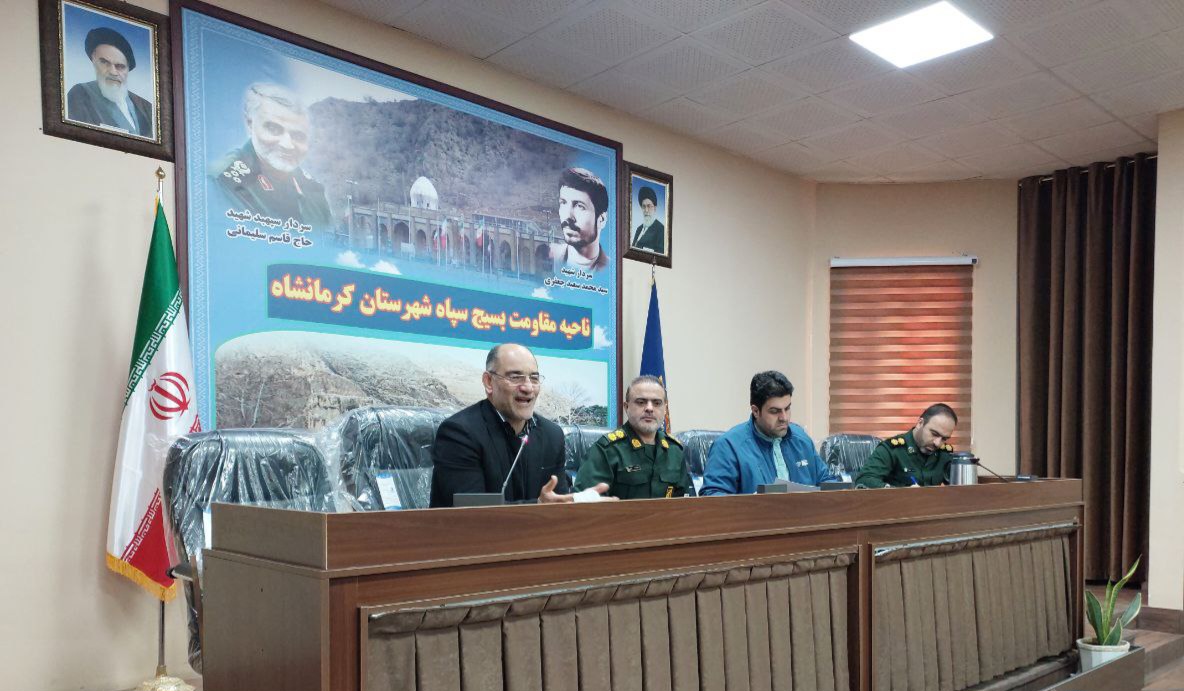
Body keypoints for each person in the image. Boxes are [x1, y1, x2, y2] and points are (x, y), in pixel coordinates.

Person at [429, 343, 614, 507]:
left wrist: (578, 504)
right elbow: (471, 512)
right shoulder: (459, 433)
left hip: (539, 534)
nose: (528, 387)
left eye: (534, 378)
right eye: (515, 377)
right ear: (489, 382)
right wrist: (539, 505)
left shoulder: (552, 435)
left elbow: (557, 500)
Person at [210, 82, 332, 231]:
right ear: (250, 125)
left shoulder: (314, 192)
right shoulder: (222, 180)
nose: (288, 145)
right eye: (274, 129)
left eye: (298, 136)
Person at [701, 371, 837, 495]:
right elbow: (713, 497)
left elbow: (827, 482)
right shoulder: (729, 446)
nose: (784, 418)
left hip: (803, 514)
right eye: (775, 411)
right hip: (755, 514)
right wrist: (752, 506)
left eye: (787, 408)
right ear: (755, 411)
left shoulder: (801, 439)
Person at [574, 375, 691, 499]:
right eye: (641, 402)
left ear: (665, 409)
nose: (649, 408)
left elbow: (685, 503)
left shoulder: (675, 450)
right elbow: (585, 504)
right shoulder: (606, 450)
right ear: (626, 407)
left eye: (657, 403)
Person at [66, 27, 153, 137]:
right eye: (104, 62)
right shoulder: (80, 94)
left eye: (120, 66)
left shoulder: (145, 106)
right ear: (94, 60)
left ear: (127, 69)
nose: (112, 72)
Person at [855, 404, 958, 488]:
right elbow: (864, 480)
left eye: (944, 438)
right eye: (934, 434)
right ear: (920, 423)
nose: (937, 443)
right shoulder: (893, 449)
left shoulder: (944, 454)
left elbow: (961, 487)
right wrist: (902, 494)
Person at [551, 168, 611, 274]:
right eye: (563, 203)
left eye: (580, 206)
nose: (568, 216)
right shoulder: (550, 257)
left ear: (601, 220)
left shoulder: (610, 269)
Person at [630, 186, 665, 254]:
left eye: (649, 206)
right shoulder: (639, 229)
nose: (646, 210)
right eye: (644, 206)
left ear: (655, 208)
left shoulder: (661, 229)